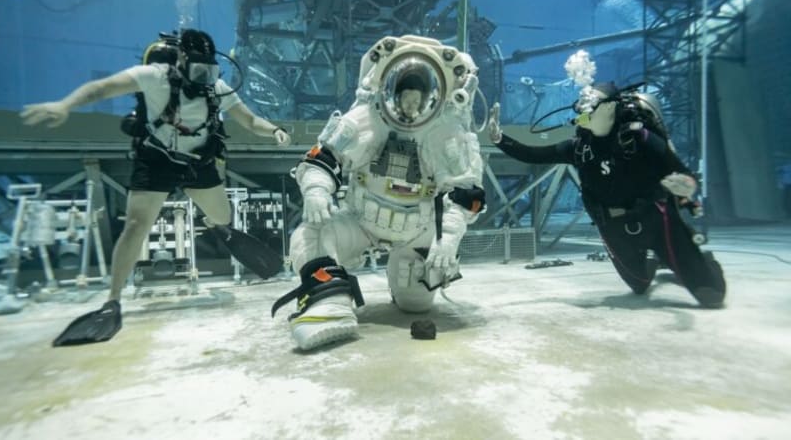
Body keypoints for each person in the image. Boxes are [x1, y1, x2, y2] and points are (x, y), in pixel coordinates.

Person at [20, 29, 291, 345]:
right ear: (182, 60)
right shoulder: (153, 76)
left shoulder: (216, 87)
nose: (203, 76)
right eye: (197, 68)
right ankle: (112, 302)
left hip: (198, 164)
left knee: (223, 218)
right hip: (157, 161)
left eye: (209, 69)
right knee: (135, 226)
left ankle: (217, 226)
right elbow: (100, 88)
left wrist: (275, 131)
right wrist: (64, 105)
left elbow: (249, 120)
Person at [270, 35, 486, 350]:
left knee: (417, 305)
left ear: (432, 98)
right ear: (391, 91)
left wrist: (447, 238)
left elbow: (467, 195)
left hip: (416, 232)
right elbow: (322, 158)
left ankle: (404, 284)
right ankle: (328, 307)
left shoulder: (445, 134)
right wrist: (316, 190)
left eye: (417, 99)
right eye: (405, 96)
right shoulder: (365, 119)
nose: (410, 107)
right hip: (361, 222)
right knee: (310, 233)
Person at [488, 82, 726, 308]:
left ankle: (703, 262)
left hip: (656, 219)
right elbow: (533, 154)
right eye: (582, 102)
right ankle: (655, 261)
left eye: (591, 101)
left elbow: (678, 170)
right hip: (612, 226)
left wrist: (686, 185)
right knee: (639, 285)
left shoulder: (638, 138)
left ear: (611, 106)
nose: (584, 106)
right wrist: (499, 138)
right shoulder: (579, 147)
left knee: (712, 294)